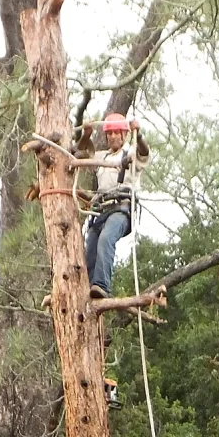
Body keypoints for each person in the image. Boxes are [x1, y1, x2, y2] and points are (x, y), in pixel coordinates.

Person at [78, 113, 149, 299]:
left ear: (124, 134)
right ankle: (90, 288)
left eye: (117, 133)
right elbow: (80, 153)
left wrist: (138, 134)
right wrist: (86, 135)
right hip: (101, 211)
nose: (112, 137)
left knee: (106, 239)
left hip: (120, 210)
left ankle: (102, 286)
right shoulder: (102, 156)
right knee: (90, 247)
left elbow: (144, 152)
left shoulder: (131, 154)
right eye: (109, 134)